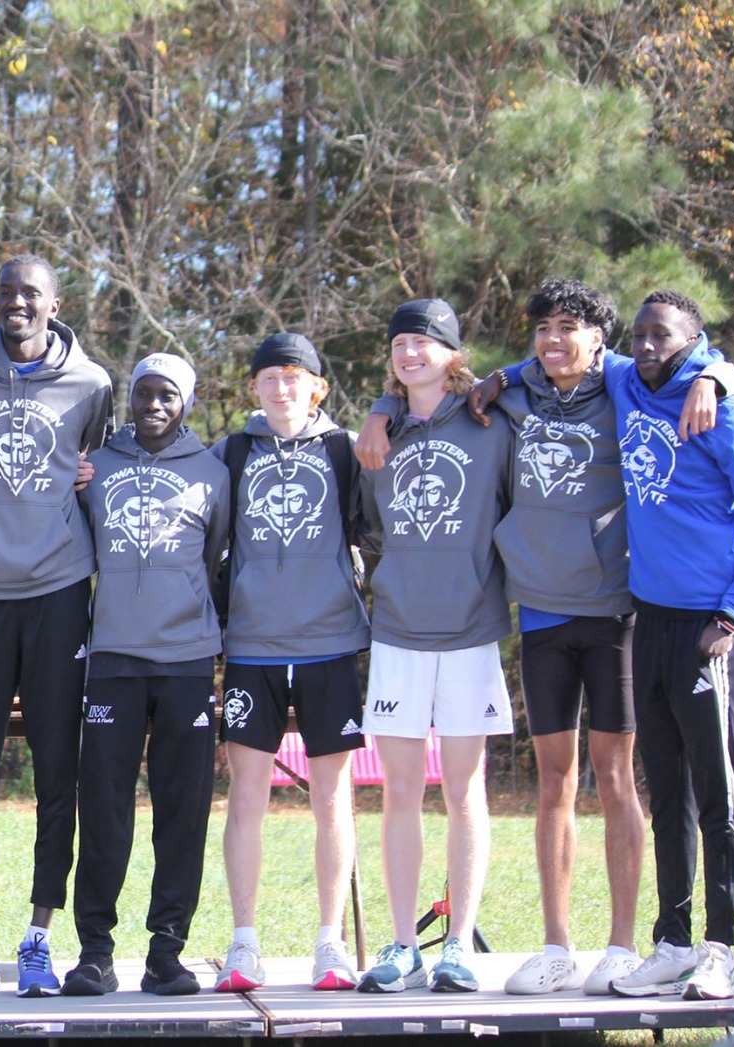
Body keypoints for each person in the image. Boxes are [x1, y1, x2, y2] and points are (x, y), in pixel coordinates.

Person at [358, 279, 734, 995]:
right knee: (554, 784)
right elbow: (435, 386)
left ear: (600, 338)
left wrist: (718, 375)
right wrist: (385, 404)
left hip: (618, 612)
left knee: (622, 778)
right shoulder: (513, 392)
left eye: (569, 327)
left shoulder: (632, 380)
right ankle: (557, 944)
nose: (554, 339)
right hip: (539, 612)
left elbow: (702, 364)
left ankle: (624, 947)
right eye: (542, 328)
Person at [0, 254, 112, 998]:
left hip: (59, 591)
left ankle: (40, 935)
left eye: (30, 293)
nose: (17, 303)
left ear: (54, 303)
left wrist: (94, 474)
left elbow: (105, 466)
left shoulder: (94, 383)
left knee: (55, 768)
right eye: (7, 291)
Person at [355, 298, 512, 995]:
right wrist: (375, 412)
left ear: (453, 352)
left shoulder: (491, 422)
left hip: (471, 630)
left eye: (425, 342)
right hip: (396, 631)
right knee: (399, 793)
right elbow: (363, 527)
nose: (410, 353)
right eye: (400, 344)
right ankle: (399, 943)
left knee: (465, 790)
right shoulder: (377, 434)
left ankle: (458, 946)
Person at [603, 291, 734, 1001]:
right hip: (649, 618)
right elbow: (561, 355)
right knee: (664, 787)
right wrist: (496, 378)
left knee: (714, 791)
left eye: (660, 335)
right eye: (637, 335)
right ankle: (671, 941)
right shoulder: (628, 380)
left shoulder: (723, 408)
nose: (645, 346)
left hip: (707, 625)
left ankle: (720, 949)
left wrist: (729, 617)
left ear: (693, 340)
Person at [66, 353, 228, 997]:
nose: (154, 405)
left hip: (187, 662)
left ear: (185, 402)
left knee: (181, 813)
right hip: (113, 660)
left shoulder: (213, 474)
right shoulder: (95, 469)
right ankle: (94, 953)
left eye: (168, 396)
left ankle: (167, 952)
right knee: (103, 811)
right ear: (129, 399)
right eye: (144, 394)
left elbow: (216, 555)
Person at [212, 334, 369, 994]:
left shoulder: (345, 449)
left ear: (317, 388)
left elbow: (374, 532)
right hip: (252, 645)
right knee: (245, 796)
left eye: (294, 377)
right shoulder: (233, 451)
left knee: (333, 796)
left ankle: (330, 943)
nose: (281, 389)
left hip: (331, 643)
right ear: (254, 389)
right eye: (269, 378)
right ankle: (244, 943)